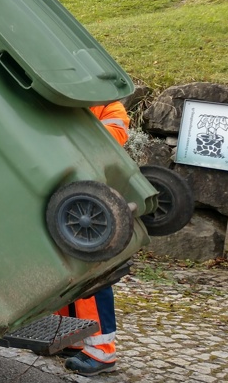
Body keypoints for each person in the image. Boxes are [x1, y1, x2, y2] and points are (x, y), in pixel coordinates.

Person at [59, 100, 129, 376]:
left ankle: (101, 352)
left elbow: (113, 139)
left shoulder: (110, 106)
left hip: (91, 207)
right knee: (66, 275)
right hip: (69, 204)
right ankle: (72, 339)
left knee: (93, 279)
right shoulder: (65, 101)